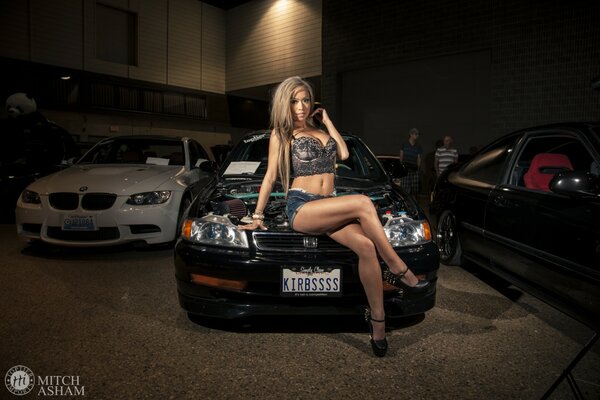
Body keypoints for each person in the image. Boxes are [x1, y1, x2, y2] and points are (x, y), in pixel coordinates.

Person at [240, 76, 429, 357]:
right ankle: (400, 270)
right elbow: (269, 178)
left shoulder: (321, 130)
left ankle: (378, 325)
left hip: (328, 205)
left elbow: (342, 152)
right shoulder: (282, 133)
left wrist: (328, 122)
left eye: (305, 100)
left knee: (365, 247)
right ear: (285, 105)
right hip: (302, 206)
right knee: (364, 204)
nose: (301, 106)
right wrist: (257, 214)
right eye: (294, 101)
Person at [398, 128, 422, 195]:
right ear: (411, 134)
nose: (417, 136)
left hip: (414, 169)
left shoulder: (418, 146)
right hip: (405, 168)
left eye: (418, 134)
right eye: (416, 134)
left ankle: (413, 202)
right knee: (405, 188)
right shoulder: (404, 144)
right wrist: (401, 167)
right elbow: (401, 156)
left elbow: (419, 158)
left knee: (414, 189)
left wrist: (418, 168)